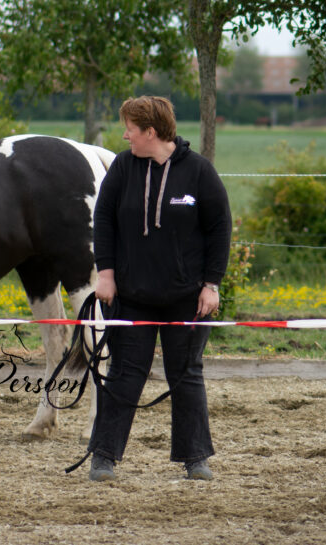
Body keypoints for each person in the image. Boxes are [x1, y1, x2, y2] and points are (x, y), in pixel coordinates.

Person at [86, 95, 231, 482]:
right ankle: (103, 456)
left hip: (186, 299)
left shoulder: (200, 172)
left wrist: (211, 285)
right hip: (132, 297)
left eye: (130, 130)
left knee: (186, 375)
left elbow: (220, 230)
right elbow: (103, 219)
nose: (125, 135)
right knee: (123, 375)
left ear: (151, 132)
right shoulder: (122, 167)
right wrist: (106, 274)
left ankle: (195, 457)